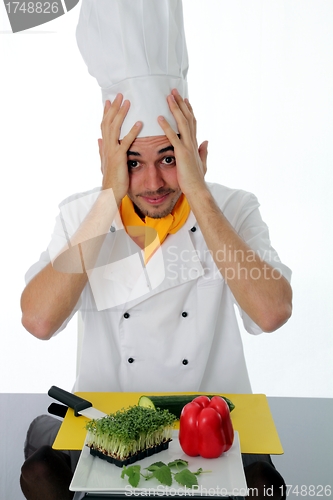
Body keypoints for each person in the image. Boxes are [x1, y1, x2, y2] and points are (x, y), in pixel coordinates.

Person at [20, 1, 292, 499]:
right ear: (108, 159)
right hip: (108, 420)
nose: (151, 181)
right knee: (39, 474)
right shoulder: (80, 215)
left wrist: (200, 192)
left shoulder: (232, 208)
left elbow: (272, 312)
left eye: (169, 158)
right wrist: (107, 196)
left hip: (214, 418)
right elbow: (37, 321)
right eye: (132, 161)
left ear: (196, 153)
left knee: (263, 488)